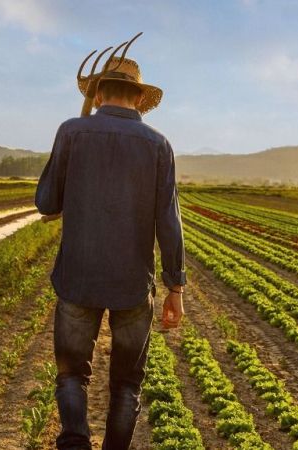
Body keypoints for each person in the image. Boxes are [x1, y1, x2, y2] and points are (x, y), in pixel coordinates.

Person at [35, 54, 185, 450]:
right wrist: (176, 288)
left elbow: (47, 202)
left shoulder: (71, 131)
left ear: (99, 93)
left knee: (71, 376)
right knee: (127, 385)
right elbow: (169, 222)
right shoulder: (159, 145)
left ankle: (74, 442)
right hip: (133, 286)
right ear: (138, 99)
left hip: (77, 278)